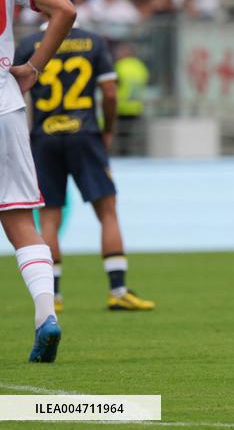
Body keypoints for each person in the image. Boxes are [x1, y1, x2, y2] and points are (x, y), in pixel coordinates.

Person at [15, 18, 155, 313]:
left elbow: (14, 94)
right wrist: (108, 130)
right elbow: (112, 92)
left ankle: (52, 295)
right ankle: (117, 290)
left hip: (44, 138)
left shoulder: (28, 45)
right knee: (107, 212)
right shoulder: (93, 41)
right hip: (85, 135)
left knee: (50, 218)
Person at [1, 0, 77, 361]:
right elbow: (64, 9)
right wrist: (33, 67)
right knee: (20, 225)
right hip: (6, 107)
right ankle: (46, 316)